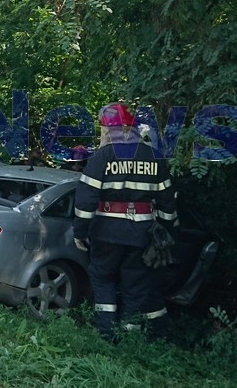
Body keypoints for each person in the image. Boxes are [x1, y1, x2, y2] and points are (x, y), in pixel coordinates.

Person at [73, 102, 179, 340]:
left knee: (102, 277)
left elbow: (86, 200)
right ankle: (130, 336)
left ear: (108, 130)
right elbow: (167, 203)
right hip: (143, 233)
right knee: (136, 284)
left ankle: (106, 333)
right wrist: (167, 233)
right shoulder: (155, 157)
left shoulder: (103, 155)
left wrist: (80, 231)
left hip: (106, 232)